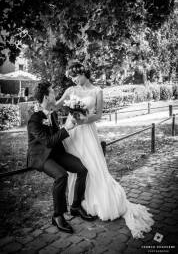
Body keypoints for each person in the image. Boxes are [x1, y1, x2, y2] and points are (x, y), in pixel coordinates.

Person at [56, 62, 154, 239]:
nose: (74, 80)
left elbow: (99, 115)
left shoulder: (97, 91)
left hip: (87, 132)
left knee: (92, 166)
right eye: (71, 77)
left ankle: (92, 202)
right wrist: (42, 108)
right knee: (77, 168)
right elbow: (56, 105)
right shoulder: (70, 90)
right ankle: (77, 201)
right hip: (71, 133)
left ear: (84, 73)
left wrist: (84, 120)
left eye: (75, 76)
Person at [27, 81, 95, 234]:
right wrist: (66, 128)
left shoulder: (53, 113)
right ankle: (57, 216)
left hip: (57, 153)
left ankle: (76, 206)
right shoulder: (34, 119)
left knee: (82, 169)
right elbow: (48, 142)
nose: (54, 93)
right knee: (61, 176)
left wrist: (75, 129)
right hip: (42, 157)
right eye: (52, 92)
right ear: (46, 97)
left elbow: (57, 137)